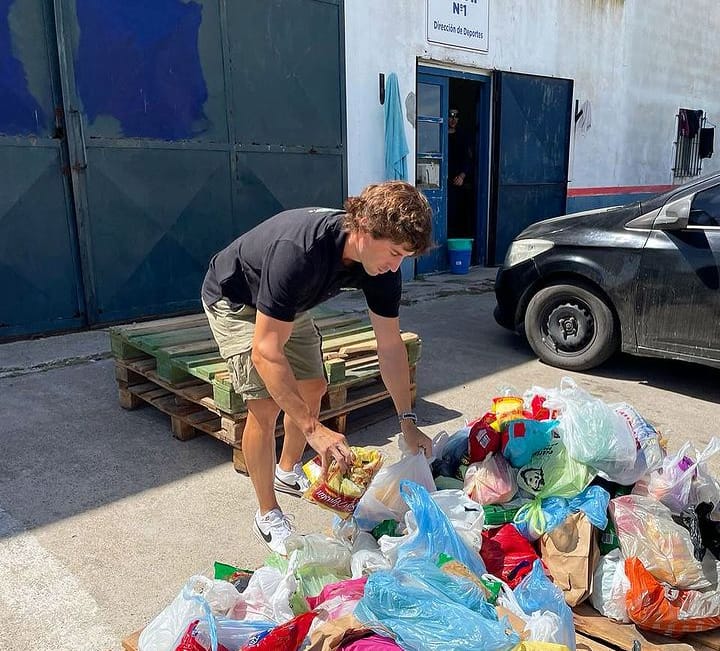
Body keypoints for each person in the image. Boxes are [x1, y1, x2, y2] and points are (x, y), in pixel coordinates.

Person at [201, 180, 434, 554]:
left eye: (405, 256)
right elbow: (264, 351)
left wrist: (407, 423)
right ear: (363, 229)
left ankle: (285, 470)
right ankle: (267, 513)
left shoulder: (382, 269)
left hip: (289, 304)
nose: (396, 265)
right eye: (393, 252)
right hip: (236, 300)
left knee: (312, 386)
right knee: (265, 405)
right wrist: (314, 430)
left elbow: (390, 346)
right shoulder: (299, 252)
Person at [447, 108, 473, 237]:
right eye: (450, 116)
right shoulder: (439, 133)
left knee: (457, 214)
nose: (453, 119)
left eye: (456, 116)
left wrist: (462, 176)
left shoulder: (463, 136)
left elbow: (468, 159)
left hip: (457, 181)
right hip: (440, 180)